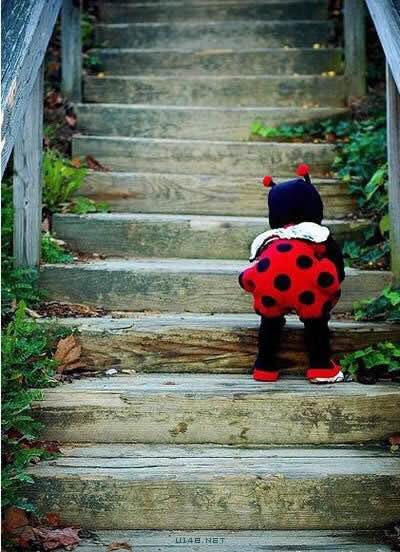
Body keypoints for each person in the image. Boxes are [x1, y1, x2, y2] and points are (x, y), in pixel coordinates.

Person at [239, 164, 345, 384]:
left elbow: (261, 259)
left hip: (269, 285)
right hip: (308, 288)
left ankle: (264, 367)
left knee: (270, 321)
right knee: (316, 321)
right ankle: (320, 366)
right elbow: (336, 262)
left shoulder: (271, 237)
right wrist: (334, 277)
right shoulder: (318, 234)